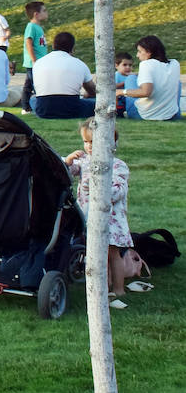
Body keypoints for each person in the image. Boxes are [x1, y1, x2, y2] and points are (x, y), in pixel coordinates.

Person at [65, 122, 132, 302]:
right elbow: (67, 174)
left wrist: (97, 188)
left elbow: (118, 190)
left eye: (93, 142)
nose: (88, 146)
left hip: (110, 220)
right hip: (89, 216)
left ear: (111, 142)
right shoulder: (85, 162)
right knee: (94, 252)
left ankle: (118, 289)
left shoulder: (118, 166)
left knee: (112, 253)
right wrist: (69, 161)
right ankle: (102, 285)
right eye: (86, 142)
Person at [30, 32, 96, 119]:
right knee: (95, 103)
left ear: (53, 46)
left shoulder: (38, 63)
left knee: (33, 99)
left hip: (44, 110)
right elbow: (92, 91)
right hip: (72, 110)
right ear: (72, 48)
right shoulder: (79, 64)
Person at [118, 35, 181, 121]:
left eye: (139, 51)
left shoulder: (146, 64)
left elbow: (146, 92)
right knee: (178, 83)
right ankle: (173, 111)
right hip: (172, 115)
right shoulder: (175, 64)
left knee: (131, 78)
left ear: (148, 52)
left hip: (145, 116)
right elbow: (160, 76)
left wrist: (120, 92)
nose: (137, 55)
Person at [20, 0, 50, 113]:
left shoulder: (38, 27)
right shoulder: (31, 27)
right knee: (36, 85)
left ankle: (26, 107)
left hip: (40, 62)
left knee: (30, 84)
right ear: (36, 14)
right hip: (34, 63)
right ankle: (29, 107)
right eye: (44, 11)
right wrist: (34, 60)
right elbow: (28, 42)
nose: (46, 13)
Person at [114, 51, 140, 119]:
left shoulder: (131, 75)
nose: (128, 67)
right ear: (116, 65)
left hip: (129, 96)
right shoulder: (117, 75)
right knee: (119, 104)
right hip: (119, 97)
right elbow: (114, 87)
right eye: (124, 65)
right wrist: (124, 83)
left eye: (130, 65)